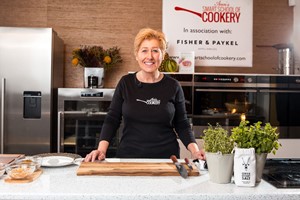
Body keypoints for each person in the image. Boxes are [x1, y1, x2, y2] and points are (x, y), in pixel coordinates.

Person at [84, 28, 205, 162]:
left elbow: (182, 124)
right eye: (144, 50)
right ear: (137, 55)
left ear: (163, 55)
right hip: (129, 158)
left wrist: (195, 151)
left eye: (155, 50)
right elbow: (112, 119)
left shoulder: (173, 86)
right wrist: (101, 150)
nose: (150, 56)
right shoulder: (126, 83)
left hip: (167, 159)